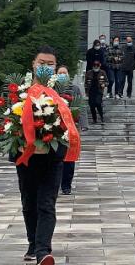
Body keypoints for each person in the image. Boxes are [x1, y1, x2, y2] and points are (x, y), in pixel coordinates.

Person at [14, 47, 69, 265]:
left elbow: (69, 124)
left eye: (50, 64)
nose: (45, 67)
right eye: (41, 63)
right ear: (33, 64)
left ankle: (43, 251)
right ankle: (33, 244)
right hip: (25, 155)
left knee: (46, 202)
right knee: (29, 202)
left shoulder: (62, 94)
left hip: (52, 156)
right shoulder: (19, 92)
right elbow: (7, 122)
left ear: (55, 67)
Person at [57, 64, 86, 196]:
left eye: (65, 73)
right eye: (60, 73)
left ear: (68, 75)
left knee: (69, 158)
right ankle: (55, 184)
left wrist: (83, 124)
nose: (62, 75)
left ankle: (66, 185)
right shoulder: (52, 89)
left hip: (71, 127)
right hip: (56, 128)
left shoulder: (75, 89)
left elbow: (81, 106)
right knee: (56, 158)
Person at [84, 55, 108, 124]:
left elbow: (107, 82)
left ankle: (102, 117)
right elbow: (86, 83)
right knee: (92, 105)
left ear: (99, 66)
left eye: (97, 66)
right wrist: (86, 92)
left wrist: (104, 84)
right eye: (94, 66)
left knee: (98, 103)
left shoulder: (102, 72)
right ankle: (94, 119)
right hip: (91, 91)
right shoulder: (89, 73)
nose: (96, 67)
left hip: (99, 91)